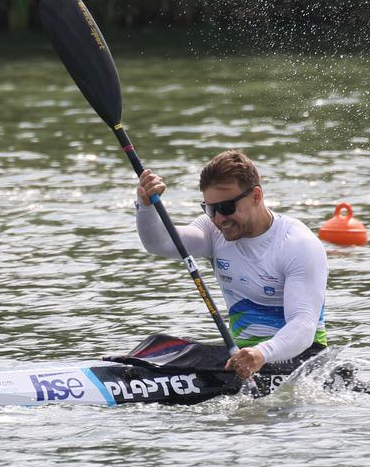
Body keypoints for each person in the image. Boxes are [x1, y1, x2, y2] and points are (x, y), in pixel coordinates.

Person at [135, 150, 328, 379]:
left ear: (256, 196)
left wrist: (261, 353)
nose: (218, 219)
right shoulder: (212, 230)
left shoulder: (297, 244)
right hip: (242, 360)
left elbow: (304, 325)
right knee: (160, 346)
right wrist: (145, 206)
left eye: (226, 208)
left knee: (189, 357)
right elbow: (161, 243)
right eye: (210, 209)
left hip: (302, 359)